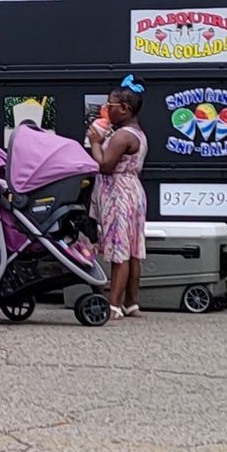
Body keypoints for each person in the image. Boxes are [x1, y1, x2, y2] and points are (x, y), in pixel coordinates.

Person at [87, 77, 149, 320]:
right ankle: (131, 303)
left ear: (124, 109)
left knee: (119, 250)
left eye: (109, 105)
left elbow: (104, 165)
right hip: (132, 191)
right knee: (133, 250)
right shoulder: (137, 133)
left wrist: (94, 141)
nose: (106, 109)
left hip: (118, 195)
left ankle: (112, 305)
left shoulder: (122, 136)